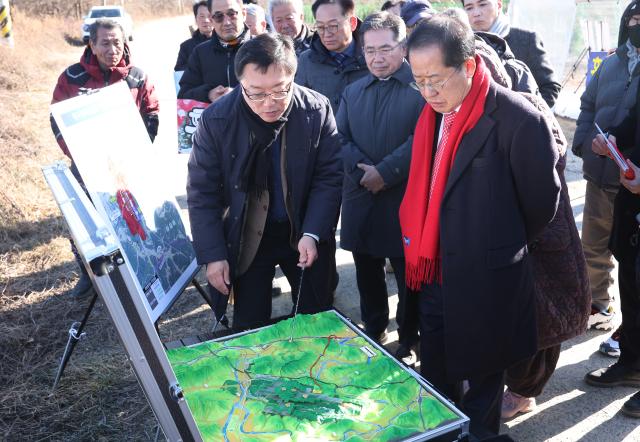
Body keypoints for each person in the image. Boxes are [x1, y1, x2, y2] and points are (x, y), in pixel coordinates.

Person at [401, 15, 559, 438]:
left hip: (488, 274)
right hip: (432, 268)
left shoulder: (518, 119)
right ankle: (443, 431)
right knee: (437, 368)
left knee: (484, 378)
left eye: (436, 78)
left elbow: (541, 202)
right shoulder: (431, 113)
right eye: (419, 80)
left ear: (468, 66)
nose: (428, 91)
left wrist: (497, 240)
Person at [187, 33, 342, 331]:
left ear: (293, 77)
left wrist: (313, 232)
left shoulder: (315, 109)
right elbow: (202, 192)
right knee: (250, 324)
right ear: (240, 82)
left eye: (281, 91)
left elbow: (329, 178)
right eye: (256, 92)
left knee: (315, 317)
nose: (269, 103)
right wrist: (214, 255)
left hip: (300, 229)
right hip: (246, 233)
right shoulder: (217, 120)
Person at [336, 11, 423, 364]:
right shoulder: (353, 91)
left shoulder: (420, 89)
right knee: (366, 270)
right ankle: (373, 328)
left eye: (385, 48)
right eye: (369, 50)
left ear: (403, 47)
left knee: (408, 276)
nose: (377, 57)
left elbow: (423, 139)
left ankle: (410, 338)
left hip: (403, 199)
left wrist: (386, 172)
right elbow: (339, 137)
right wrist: (363, 174)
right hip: (361, 197)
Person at [50, 19, 159, 297]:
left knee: (132, 215)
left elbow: (152, 114)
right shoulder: (72, 78)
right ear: (92, 45)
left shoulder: (136, 76)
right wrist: (81, 156)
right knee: (84, 222)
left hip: (127, 165)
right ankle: (90, 275)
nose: (113, 49)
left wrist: (138, 151)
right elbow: (57, 120)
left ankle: (137, 267)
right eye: (105, 43)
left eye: (118, 43)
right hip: (86, 164)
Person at [500, 94, 590, 419]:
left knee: (543, 319)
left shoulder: (523, 107)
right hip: (512, 233)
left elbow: (550, 168)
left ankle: (524, 391)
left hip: (543, 235)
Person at [573, 2, 640, 358]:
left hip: (633, 183)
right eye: (634, 19)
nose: (637, 25)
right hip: (600, 174)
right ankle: (600, 304)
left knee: (630, 259)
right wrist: (584, 144)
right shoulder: (610, 63)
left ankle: (629, 333)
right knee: (593, 246)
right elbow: (587, 105)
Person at [586, 67, 640, 419]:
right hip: (632, 204)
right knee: (633, 291)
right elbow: (634, 120)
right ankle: (632, 364)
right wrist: (612, 140)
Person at [461, 0, 561, 108]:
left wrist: (530, 116)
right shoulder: (462, 45)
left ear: (498, 5)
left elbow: (550, 87)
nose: (476, 13)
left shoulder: (527, 40)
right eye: (469, 7)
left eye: (483, 4)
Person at [295, 0, 368, 112]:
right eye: (320, 27)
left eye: (333, 26)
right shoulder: (307, 61)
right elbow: (299, 106)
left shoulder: (371, 57)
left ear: (352, 23)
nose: (327, 34)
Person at [178, 0, 250, 104]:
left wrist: (239, 94)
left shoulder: (262, 48)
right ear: (212, 20)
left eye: (232, 14)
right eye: (218, 16)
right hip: (215, 119)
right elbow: (184, 95)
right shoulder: (200, 53)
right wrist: (208, 94)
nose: (226, 22)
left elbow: (276, 90)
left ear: (243, 14)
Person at [174, 1, 213, 71]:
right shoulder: (186, 47)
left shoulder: (224, 43)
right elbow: (179, 71)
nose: (206, 20)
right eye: (202, 16)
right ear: (196, 20)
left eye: (209, 16)